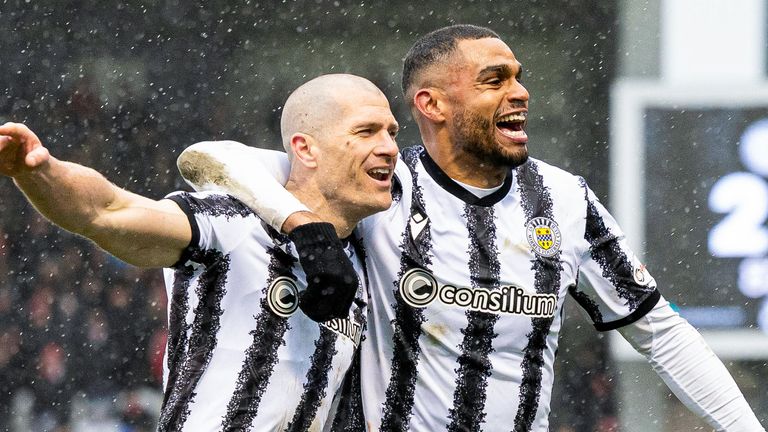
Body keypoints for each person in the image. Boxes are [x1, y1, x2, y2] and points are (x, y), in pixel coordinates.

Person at [177, 26, 765, 431]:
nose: (520, 92)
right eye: (494, 80)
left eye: (518, 76)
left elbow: (661, 333)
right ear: (431, 104)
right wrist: (300, 222)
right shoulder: (380, 185)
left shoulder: (564, 200)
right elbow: (211, 157)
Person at [0, 73, 400, 431]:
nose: (388, 148)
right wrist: (39, 172)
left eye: (393, 132)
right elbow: (106, 211)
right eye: (366, 131)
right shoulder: (232, 222)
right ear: (306, 149)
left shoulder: (366, 259)